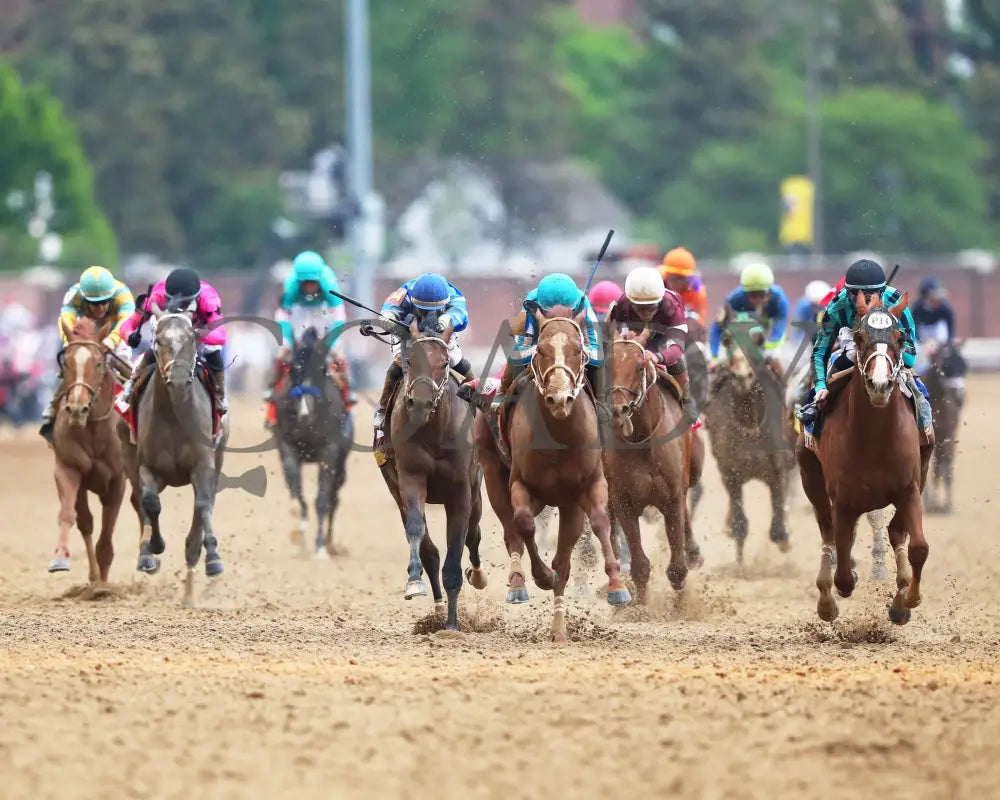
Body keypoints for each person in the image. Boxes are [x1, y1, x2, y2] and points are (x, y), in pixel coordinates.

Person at [794, 258, 931, 435]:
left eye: (873, 296)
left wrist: (885, 343)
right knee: (830, 376)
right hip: (852, 343)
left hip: (890, 350)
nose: (868, 303)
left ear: (882, 293)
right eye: (860, 296)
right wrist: (820, 385)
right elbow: (820, 352)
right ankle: (813, 428)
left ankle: (925, 434)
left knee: (920, 391)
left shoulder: (896, 302)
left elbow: (911, 356)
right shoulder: (837, 307)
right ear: (849, 293)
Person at [372, 273, 478, 455]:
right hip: (409, 333)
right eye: (423, 309)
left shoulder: (455, 296)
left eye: (435, 310)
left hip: (442, 333)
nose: (429, 313)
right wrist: (388, 319)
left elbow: (460, 316)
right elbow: (388, 309)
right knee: (399, 363)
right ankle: (383, 410)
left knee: (455, 360)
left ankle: (480, 398)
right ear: (414, 300)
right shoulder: (404, 293)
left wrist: (444, 321)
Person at [470, 273, 603, 414]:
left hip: (573, 347)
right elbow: (517, 354)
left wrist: (574, 350)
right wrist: (542, 349)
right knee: (513, 364)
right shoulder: (529, 305)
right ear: (539, 310)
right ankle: (502, 392)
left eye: (565, 318)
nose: (558, 324)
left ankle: (602, 405)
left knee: (600, 370)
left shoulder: (584, 305)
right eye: (551, 318)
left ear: (574, 309)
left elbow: (598, 356)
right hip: (537, 344)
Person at [39, 266, 135, 443]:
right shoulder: (73, 295)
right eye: (93, 303)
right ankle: (53, 408)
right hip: (86, 331)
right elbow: (65, 319)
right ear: (84, 298)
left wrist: (111, 341)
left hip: (115, 331)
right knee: (74, 366)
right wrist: (70, 341)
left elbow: (127, 322)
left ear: (111, 296)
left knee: (127, 367)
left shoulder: (123, 295)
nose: (99, 308)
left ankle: (137, 414)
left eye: (104, 302)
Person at [117, 267, 228, 415]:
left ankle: (219, 394)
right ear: (166, 296)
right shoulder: (156, 296)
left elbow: (220, 336)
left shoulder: (209, 299)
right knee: (154, 351)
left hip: (197, 331)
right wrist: (130, 336)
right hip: (168, 330)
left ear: (195, 297)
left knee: (213, 352)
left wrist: (195, 334)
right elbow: (127, 325)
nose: (178, 305)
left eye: (185, 303)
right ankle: (132, 387)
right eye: (173, 300)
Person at [263, 251, 356, 428]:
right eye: (306, 282)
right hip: (299, 312)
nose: (310, 286)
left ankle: (348, 390)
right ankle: (272, 388)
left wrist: (330, 342)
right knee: (284, 351)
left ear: (319, 279)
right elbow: (283, 313)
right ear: (299, 281)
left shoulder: (329, 281)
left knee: (336, 352)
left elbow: (339, 314)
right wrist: (289, 338)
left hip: (324, 311)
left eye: (313, 282)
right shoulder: (290, 284)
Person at [605, 266, 699, 422]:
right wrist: (622, 337)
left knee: (676, 363)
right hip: (638, 338)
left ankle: (688, 402)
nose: (646, 312)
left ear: (660, 300)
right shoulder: (622, 304)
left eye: (651, 307)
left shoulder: (672, 305)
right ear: (630, 301)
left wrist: (658, 357)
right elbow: (612, 336)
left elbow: (676, 349)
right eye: (640, 308)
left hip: (665, 339)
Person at [709, 262, 789, 364]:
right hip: (745, 333)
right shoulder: (734, 299)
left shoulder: (780, 300)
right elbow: (717, 327)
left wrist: (766, 346)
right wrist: (714, 356)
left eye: (761, 295)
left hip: (769, 334)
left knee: (774, 358)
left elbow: (778, 330)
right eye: (752, 295)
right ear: (745, 292)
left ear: (769, 292)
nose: (757, 300)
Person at [659, 247, 708, 325]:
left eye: (681, 278)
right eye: (673, 277)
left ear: (689, 277)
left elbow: (700, 323)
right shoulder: (656, 281)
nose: (677, 282)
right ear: (667, 274)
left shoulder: (697, 290)